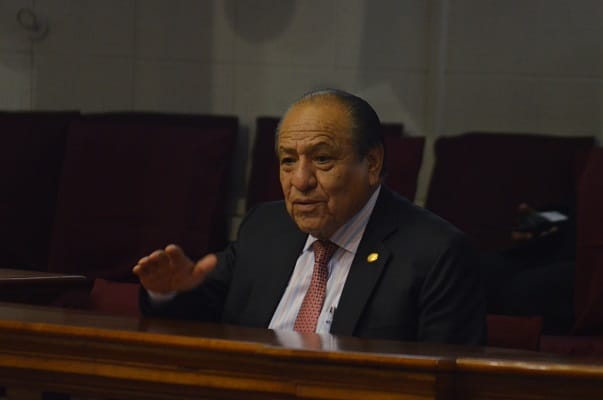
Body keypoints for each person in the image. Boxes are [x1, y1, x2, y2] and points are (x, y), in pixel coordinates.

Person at [133, 88, 486, 344]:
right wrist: (167, 293)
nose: (300, 181)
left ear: (372, 163)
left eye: (322, 159)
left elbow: (445, 381)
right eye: (288, 161)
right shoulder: (265, 228)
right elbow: (199, 320)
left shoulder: (437, 254)